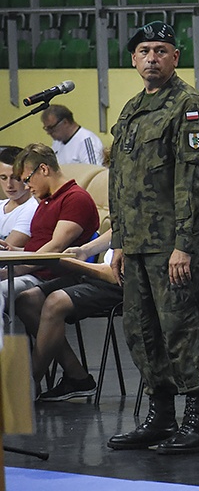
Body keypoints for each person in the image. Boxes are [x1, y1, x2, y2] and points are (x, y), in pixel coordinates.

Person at [107, 21, 199, 455]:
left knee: (182, 328)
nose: (151, 57)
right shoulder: (134, 108)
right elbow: (122, 181)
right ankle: (161, 415)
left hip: (172, 245)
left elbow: (194, 181)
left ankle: (197, 421)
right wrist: (118, 241)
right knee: (141, 331)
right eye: (143, 50)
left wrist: (185, 245)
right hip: (136, 244)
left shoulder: (189, 106)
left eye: (160, 50)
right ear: (133, 59)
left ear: (175, 57)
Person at [17, 230, 120, 401]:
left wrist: (67, 263)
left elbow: (112, 275)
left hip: (120, 282)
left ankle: (28, 384)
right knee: (27, 301)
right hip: (98, 274)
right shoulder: (126, 211)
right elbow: (116, 230)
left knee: (56, 302)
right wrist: (85, 250)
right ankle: (77, 375)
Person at [1, 144, 99, 298]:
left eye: (27, 180)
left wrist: (12, 271)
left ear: (44, 170)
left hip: (48, 277)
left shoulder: (75, 199)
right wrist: (14, 251)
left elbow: (55, 247)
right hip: (34, 271)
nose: (27, 187)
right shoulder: (47, 201)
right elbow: (39, 246)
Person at [0, 146, 38, 247]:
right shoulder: (1, 205)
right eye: (3, 178)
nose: (9, 185)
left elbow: (6, 249)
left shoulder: (33, 208)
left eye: (15, 178)